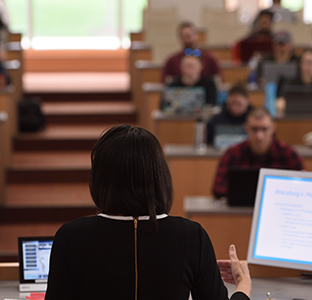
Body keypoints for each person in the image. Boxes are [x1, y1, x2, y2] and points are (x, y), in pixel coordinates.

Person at [44, 124, 254, 300]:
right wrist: (243, 285)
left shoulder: (71, 236)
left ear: (100, 180)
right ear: (160, 178)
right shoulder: (192, 236)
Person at [211, 109, 305, 198]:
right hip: (241, 210)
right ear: (246, 128)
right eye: (254, 129)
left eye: (264, 129)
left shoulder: (288, 153)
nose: (259, 136)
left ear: (273, 128)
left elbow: (304, 186)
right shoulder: (233, 153)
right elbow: (217, 188)